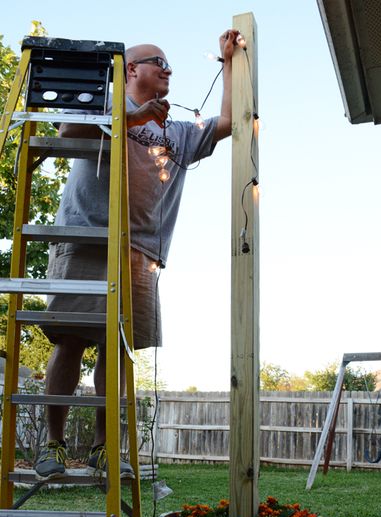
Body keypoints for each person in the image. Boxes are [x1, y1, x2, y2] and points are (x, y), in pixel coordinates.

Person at [35, 30, 239, 481]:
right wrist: (134, 115)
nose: (168, 70)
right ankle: (52, 444)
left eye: (169, 65)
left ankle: (103, 449)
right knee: (70, 340)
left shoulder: (175, 131)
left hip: (140, 251)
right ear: (131, 69)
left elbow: (226, 122)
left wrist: (227, 64)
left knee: (117, 347)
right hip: (86, 236)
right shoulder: (103, 101)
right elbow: (70, 130)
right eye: (158, 62)